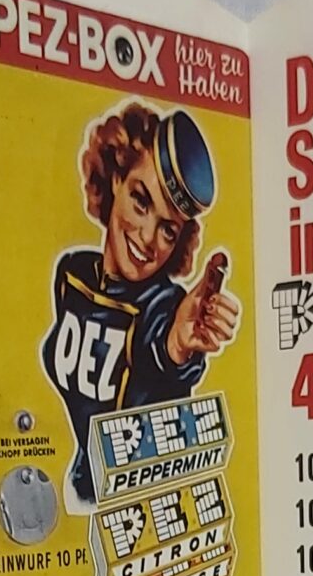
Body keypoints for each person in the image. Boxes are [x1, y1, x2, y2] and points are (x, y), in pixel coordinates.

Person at [43, 102, 239, 506]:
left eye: (168, 230)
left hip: (141, 506)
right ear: (115, 179)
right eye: (140, 201)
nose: (148, 238)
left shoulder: (164, 305)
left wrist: (178, 348)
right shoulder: (71, 273)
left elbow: (161, 354)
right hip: (80, 486)